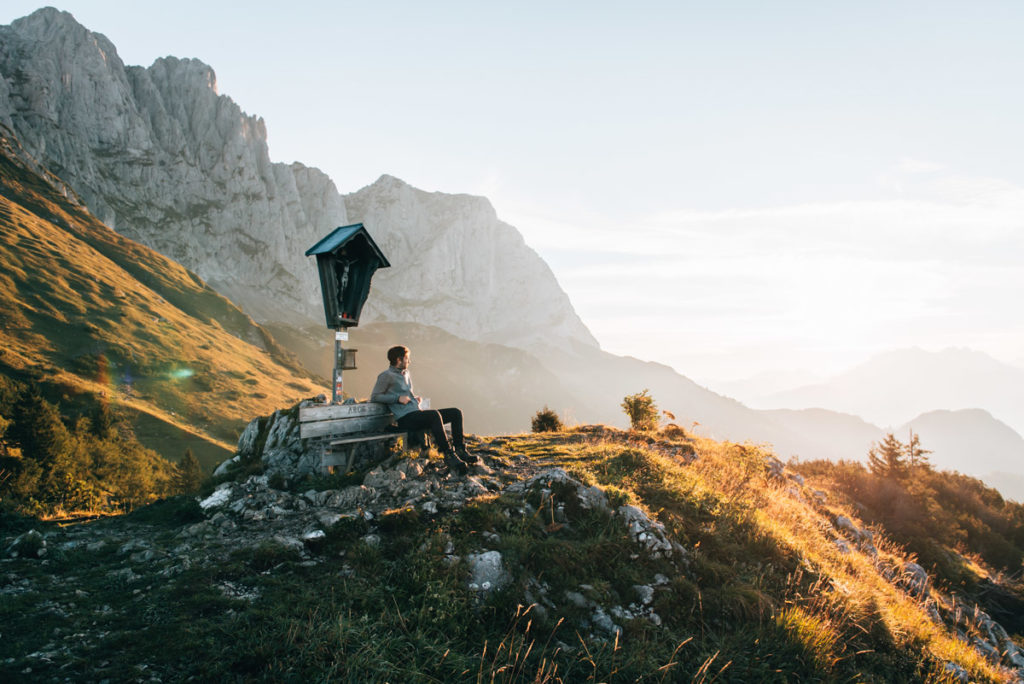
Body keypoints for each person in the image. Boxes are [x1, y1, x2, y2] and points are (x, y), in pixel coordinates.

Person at [370, 345, 477, 474]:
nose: (409, 361)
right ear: (399, 360)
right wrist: (397, 399)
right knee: (434, 415)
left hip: (416, 414)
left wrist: (413, 398)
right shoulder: (386, 376)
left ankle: (460, 450)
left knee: (455, 412)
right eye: (407, 359)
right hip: (406, 419)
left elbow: (405, 393)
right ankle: (448, 455)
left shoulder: (406, 373)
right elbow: (375, 397)